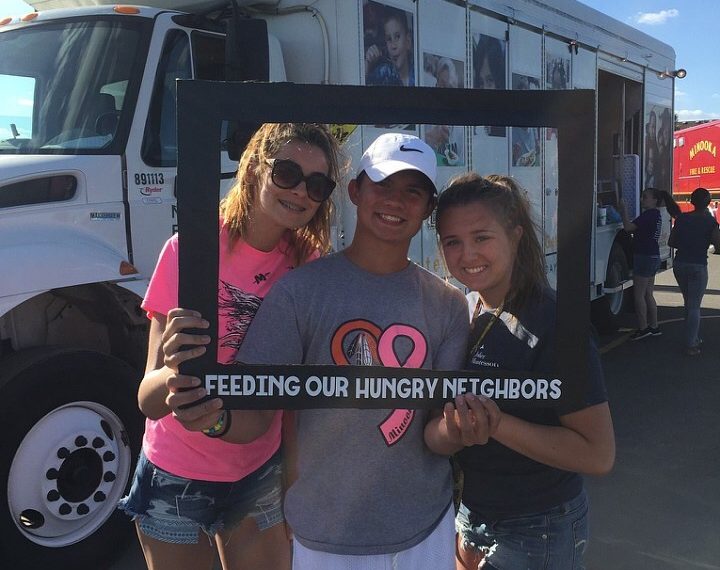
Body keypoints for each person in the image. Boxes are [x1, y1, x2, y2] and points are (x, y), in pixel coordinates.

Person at [165, 133, 498, 570]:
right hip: (323, 535)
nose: (396, 202)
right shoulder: (300, 291)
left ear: (428, 209)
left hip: (425, 528)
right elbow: (260, 407)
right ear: (356, 190)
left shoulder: (448, 304)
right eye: (383, 185)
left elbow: (436, 431)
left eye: (412, 192)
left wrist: (461, 430)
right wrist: (214, 418)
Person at [118, 122, 344, 570]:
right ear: (255, 167)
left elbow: (297, 394)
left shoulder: (308, 264)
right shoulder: (189, 250)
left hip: (259, 472)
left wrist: (297, 476)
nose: (300, 191)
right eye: (287, 172)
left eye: (317, 184)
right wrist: (175, 371)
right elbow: (148, 397)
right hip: (175, 473)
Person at [432, 173, 615, 570]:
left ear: (515, 235)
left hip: (538, 525)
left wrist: (495, 424)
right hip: (471, 516)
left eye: (482, 237)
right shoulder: (464, 309)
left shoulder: (554, 323)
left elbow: (598, 454)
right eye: (452, 242)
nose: (467, 254)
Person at [618, 187, 681, 340]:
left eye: (645, 197)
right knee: (648, 294)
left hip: (644, 257)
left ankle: (643, 328)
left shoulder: (648, 216)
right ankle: (654, 325)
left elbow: (628, 228)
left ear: (654, 200)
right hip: (653, 256)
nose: (642, 199)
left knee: (638, 294)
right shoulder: (657, 215)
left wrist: (623, 210)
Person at [668, 187, 720, 356]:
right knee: (694, 306)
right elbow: (717, 244)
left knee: (688, 302)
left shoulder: (682, 219)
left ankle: (691, 336)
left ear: (691, 202)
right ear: (708, 203)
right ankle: (691, 343)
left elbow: (671, 242)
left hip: (680, 263)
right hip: (697, 264)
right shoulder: (711, 222)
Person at [365, 6, 415, 86]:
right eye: (389, 39)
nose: (393, 46)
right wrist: (368, 64)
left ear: (408, 41)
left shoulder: (417, 71)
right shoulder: (384, 72)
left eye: (397, 36)